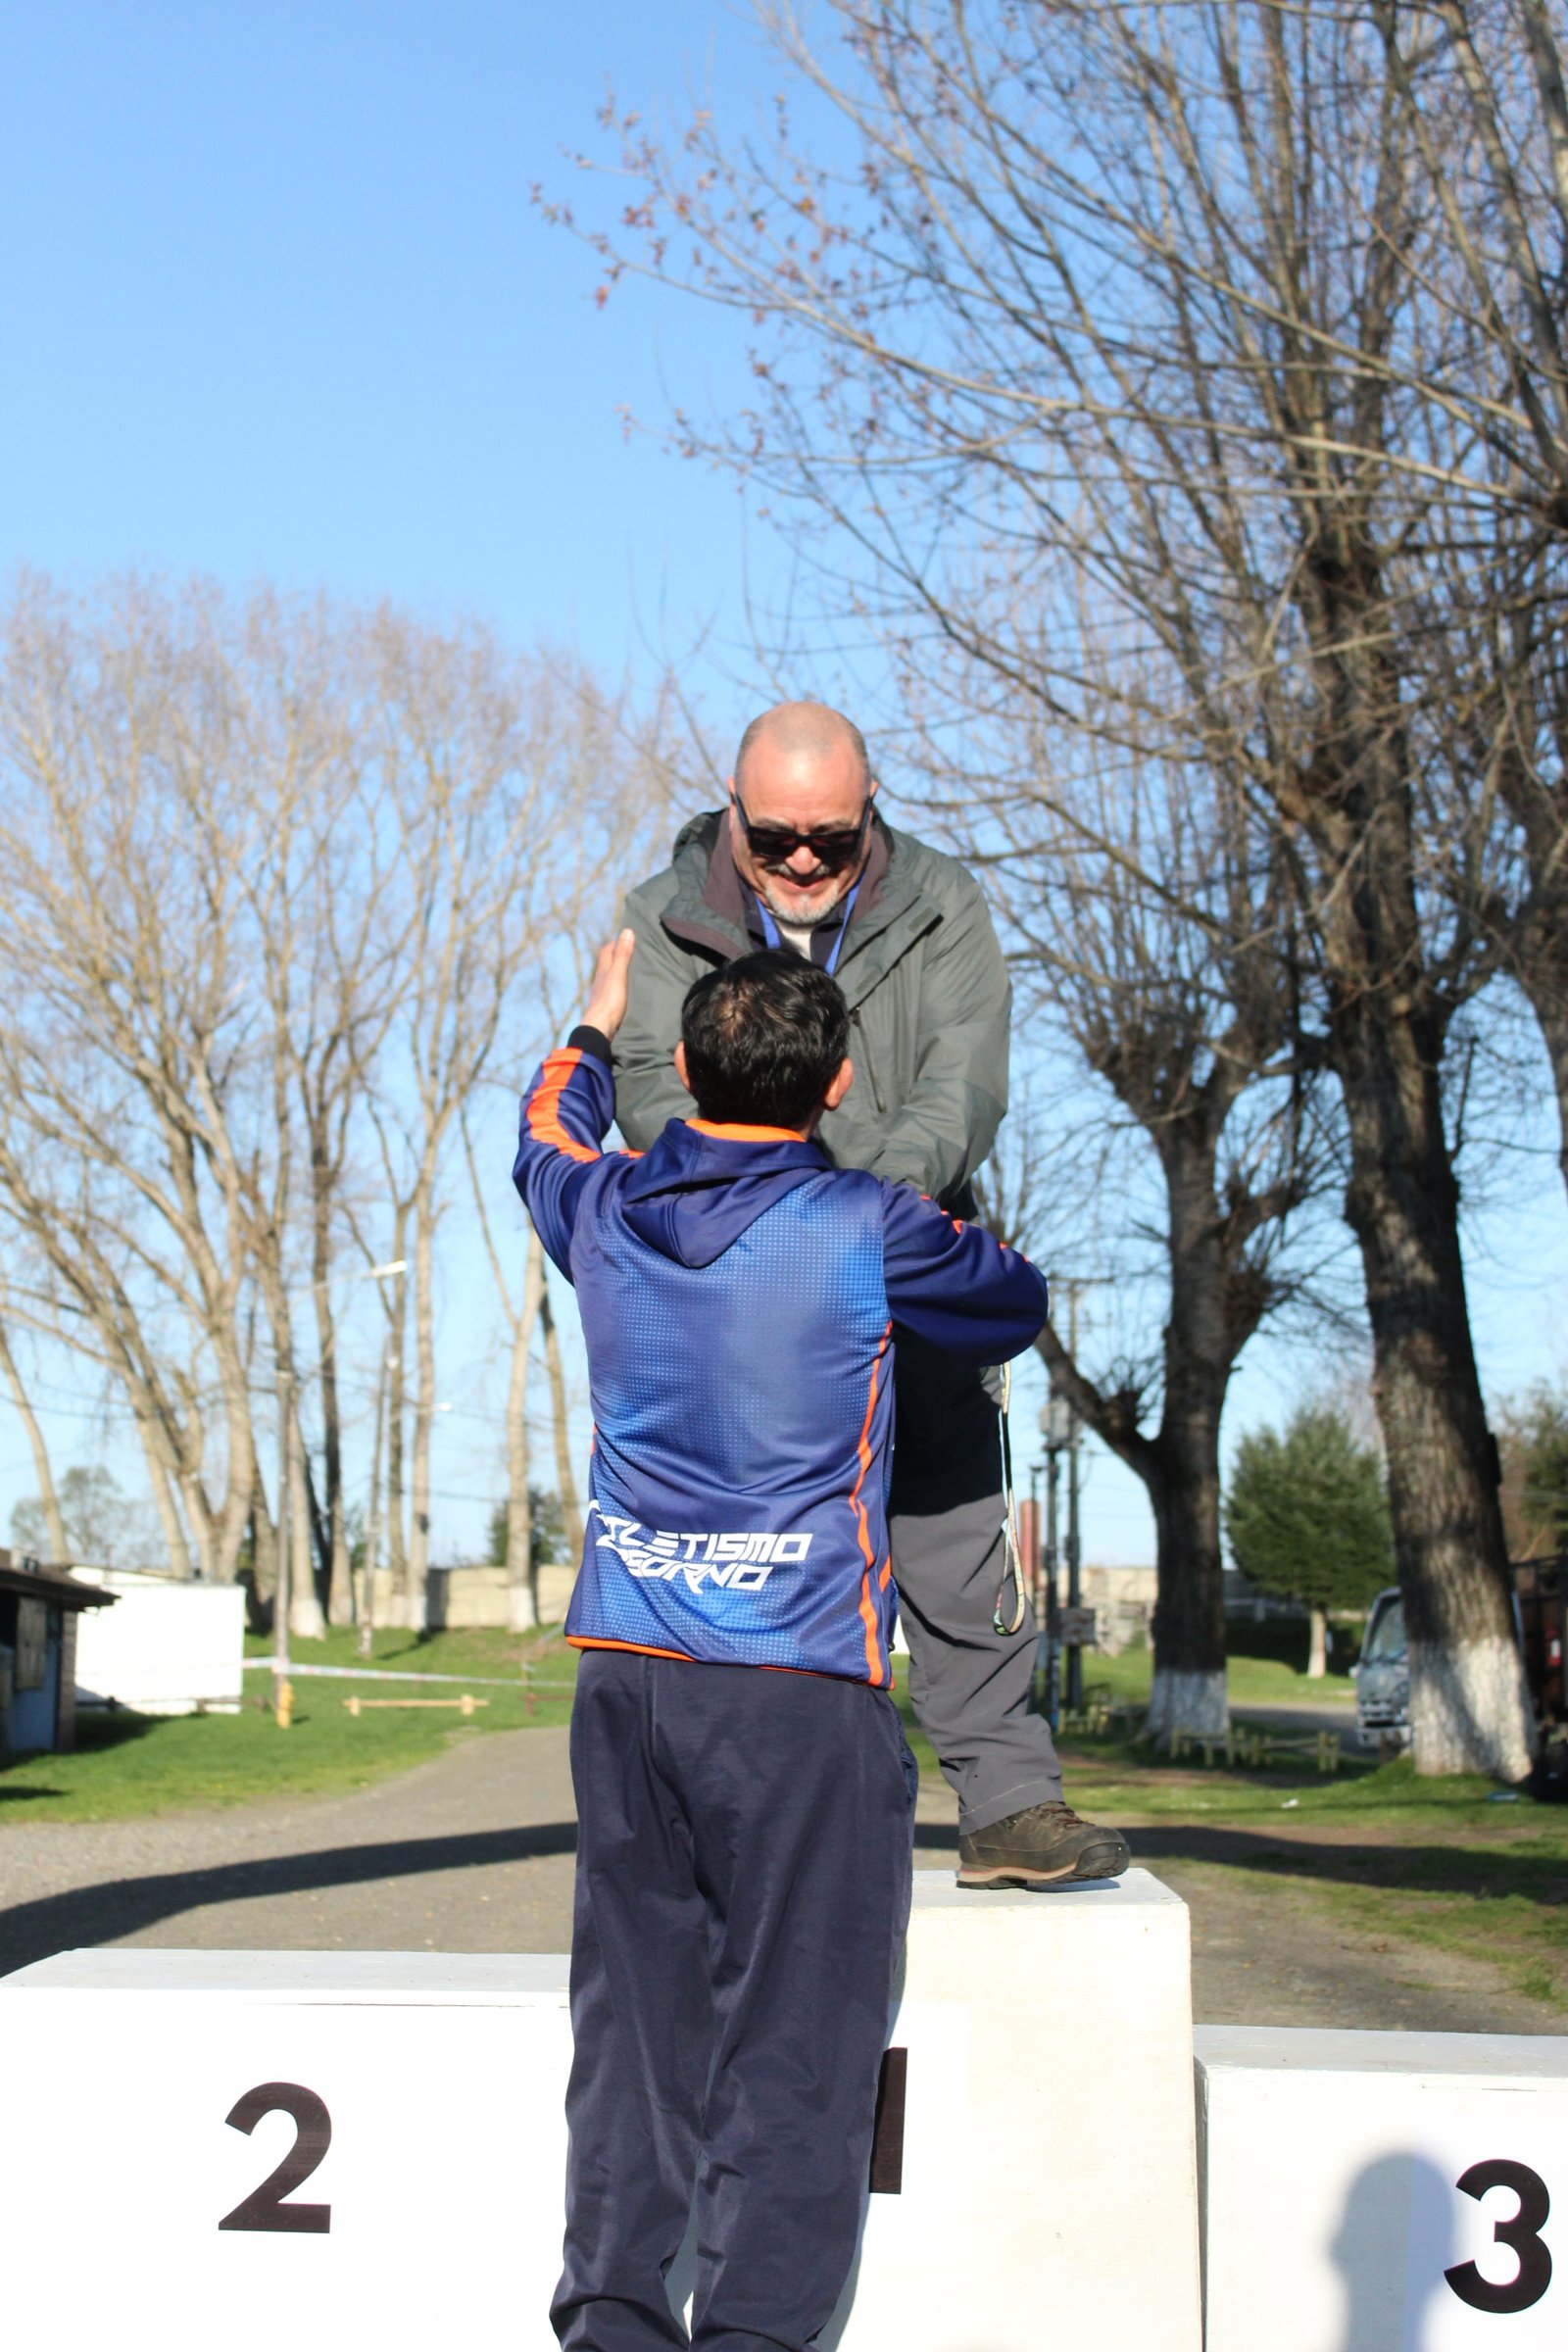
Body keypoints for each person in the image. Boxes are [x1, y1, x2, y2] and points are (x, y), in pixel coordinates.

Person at [514, 938, 1048, 2352]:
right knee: (801, 2051)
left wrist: (586, 1023)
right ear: (843, 1083)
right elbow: (1014, 1300)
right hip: (802, 1689)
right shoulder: (874, 1225)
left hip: (628, 1682)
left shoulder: (604, 1208)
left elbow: (542, 1132)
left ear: (679, 1072)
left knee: (632, 2031)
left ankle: (616, 2324)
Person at [612, 699, 1130, 1887]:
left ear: (869, 812)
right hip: (735, 1287)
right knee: (743, 1554)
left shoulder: (948, 905)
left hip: (903, 1257)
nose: (800, 859)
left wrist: (860, 1221)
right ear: (733, 809)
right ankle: (732, 1820)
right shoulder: (660, 916)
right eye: (776, 835)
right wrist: (773, 1210)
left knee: (954, 1527)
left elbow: (963, 1086)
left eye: (829, 840)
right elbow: (648, 1087)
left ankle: (1006, 1805)